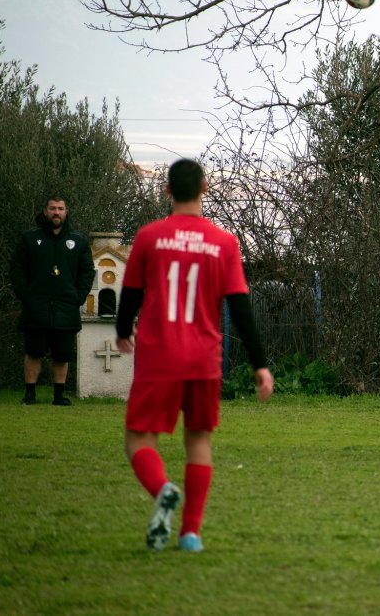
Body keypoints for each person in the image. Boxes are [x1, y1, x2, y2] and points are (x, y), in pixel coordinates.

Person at [115, 159, 274, 552]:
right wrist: (260, 364)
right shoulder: (224, 243)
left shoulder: (149, 237)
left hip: (159, 355)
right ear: (205, 187)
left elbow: (131, 295)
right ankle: (190, 535)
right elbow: (241, 308)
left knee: (139, 439)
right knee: (198, 440)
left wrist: (122, 331)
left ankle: (162, 488)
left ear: (167, 190)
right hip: (204, 359)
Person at [9, 196, 96, 406]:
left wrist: (78, 296)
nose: (56, 212)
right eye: (52, 209)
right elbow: (17, 268)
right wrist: (25, 294)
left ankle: (59, 395)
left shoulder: (78, 241)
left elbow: (87, 272)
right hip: (36, 306)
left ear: (66, 212)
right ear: (45, 211)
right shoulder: (30, 238)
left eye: (60, 209)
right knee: (34, 351)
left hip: (66, 307)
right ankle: (30, 394)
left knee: (62, 353)